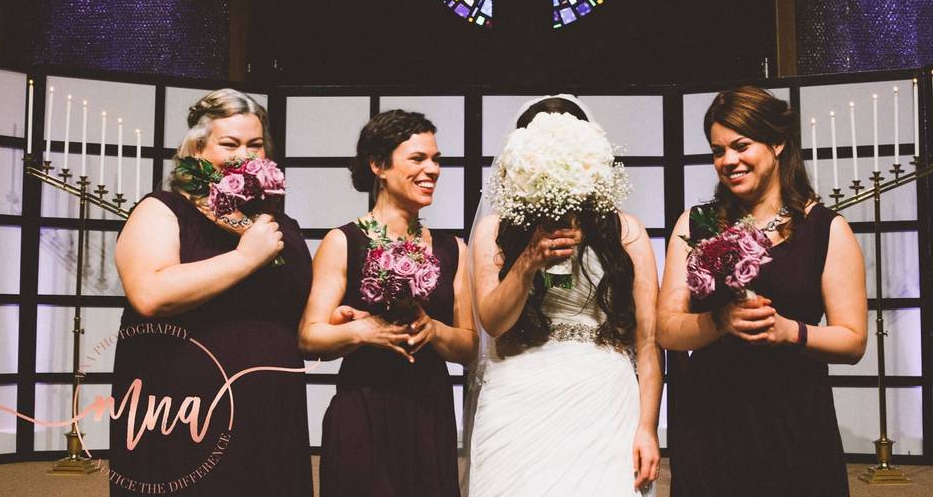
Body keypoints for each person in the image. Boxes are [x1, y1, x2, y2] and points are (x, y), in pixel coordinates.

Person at [657, 86, 867, 496]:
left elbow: (854, 341)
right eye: (718, 151)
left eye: (741, 146)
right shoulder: (695, 224)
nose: (728, 161)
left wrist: (791, 332)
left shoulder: (825, 229)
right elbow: (666, 329)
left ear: (777, 143)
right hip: (712, 424)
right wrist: (719, 321)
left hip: (795, 423)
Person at [110, 88, 313, 495]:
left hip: (270, 409)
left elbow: (295, 308)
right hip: (186, 408)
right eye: (229, 143)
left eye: (255, 144)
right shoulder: (164, 209)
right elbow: (149, 294)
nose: (244, 155)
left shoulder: (278, 222)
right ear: (198, 148)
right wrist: (244, 259)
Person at [463, 95, 662, 496]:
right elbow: (493, 321)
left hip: (603, 396)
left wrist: (646, 427)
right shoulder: (497, 230)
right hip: (518, 393)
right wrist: (528, 260)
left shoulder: (624, 230)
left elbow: (648, 341)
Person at [299, 109, 477, 497]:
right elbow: (309, 337)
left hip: (428, 410)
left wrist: (434, 329)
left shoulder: (453, 249)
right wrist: (363, 330)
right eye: (418, 159)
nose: (432, 169)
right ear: (379, 165)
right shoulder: (342, 242)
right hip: (363, 406)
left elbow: (468, 346)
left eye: (436, 159)